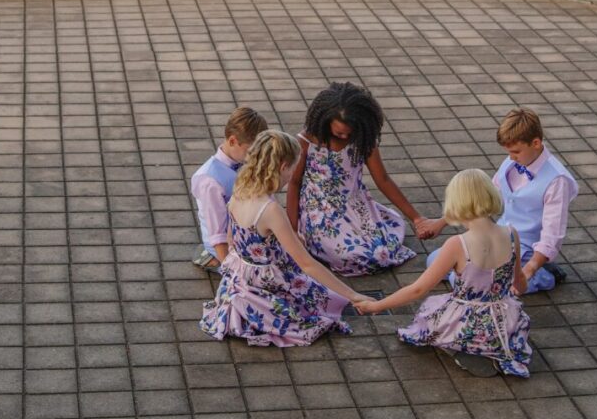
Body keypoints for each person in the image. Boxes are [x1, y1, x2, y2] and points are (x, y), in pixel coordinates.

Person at [201, 131, 371, 347]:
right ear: (282, 167)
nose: (293, 175)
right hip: (267, 279)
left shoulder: (240, 187)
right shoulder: (270, 209)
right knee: (321, 305)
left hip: (241, 274)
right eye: (293, 168)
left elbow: (231, 237)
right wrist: (353, 295)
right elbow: (307, 264)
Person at [357, 169, 532, 377]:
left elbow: (418, 289)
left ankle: (461, 345)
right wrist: (514, 293)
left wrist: (376, 306)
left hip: (466, 319)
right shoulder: (512, 233)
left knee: (428, 317)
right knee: (509, 319)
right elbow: (519, 280)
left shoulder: (458, 244)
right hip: (504, 318)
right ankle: (494, 350)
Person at [288, 81, 440, 277]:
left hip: (356, 205)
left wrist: (417, 218)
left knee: (381, 252)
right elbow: (294, 182)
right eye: (339, 132)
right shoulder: (306, 140)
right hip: (320, 211)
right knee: (348, 255)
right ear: (325, 121)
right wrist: (292, 230)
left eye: (349, 133)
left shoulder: (363, 140)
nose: (344, 136)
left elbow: (383, 179)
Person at [490, 108, 578, 292]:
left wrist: (527, 271)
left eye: (515, 152)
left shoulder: (557, 180)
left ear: (536, 143)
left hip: (528, 247)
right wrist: (444, 221)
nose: (511, 157)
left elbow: (553, 233)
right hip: (500, 235)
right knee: (439, 261)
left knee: (491, 284)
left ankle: (544, 273)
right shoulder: (513, 161)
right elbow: (489, 195)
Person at [190, 106, 269, 271]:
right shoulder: (210, 181)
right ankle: (213, 259)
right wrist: (231, 272)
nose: (256, 156)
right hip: (227, 246)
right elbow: (217, 231)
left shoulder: (240, 160)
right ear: (233, 141)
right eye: (251, 151)